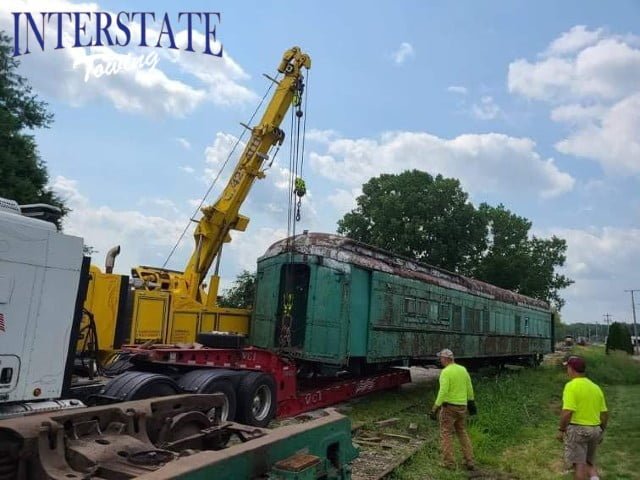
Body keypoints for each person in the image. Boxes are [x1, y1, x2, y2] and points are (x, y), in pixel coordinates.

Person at [557, 355, 608, 480]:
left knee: (579, 465)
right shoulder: (595, 387)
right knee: (589, 463)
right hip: (595, 429)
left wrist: (561, 429)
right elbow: (604, 414)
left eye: (567, 368)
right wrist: (601, 431)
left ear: (571, 368)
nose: (567, 371)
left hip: (578, 430)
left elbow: (568, 411)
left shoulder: (571, 386)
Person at [429, 349, 476, 470]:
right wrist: (471, 404)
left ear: (446, 359)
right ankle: (469, 460)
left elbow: (443, 391)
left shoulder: (445, 372)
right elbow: (469, 388)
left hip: (449, 408)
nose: (440, 360)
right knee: (462, 432)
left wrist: (435, 407)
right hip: (462, 407)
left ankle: (448, 463)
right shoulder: (462, 370)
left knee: (446, 433)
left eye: (441, 358)